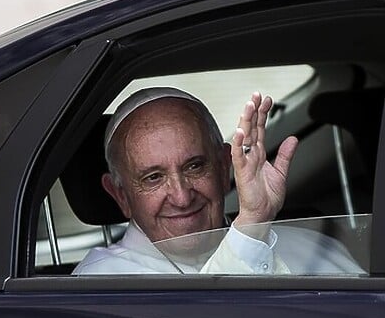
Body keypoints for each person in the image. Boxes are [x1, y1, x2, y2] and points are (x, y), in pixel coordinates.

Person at [72, 87, 364, 275]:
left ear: (225, 167)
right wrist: (250, 229)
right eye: (153, 178)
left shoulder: (316, 247)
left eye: (195, 166)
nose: (182, 196)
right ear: (120, 194)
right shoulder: (98, 284)